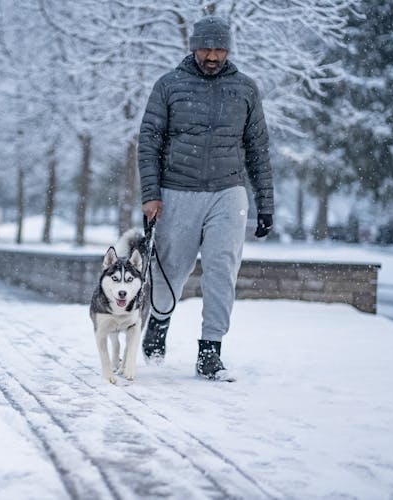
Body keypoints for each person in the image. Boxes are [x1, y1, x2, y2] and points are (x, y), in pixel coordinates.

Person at [137, 15, 274, 380]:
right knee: (170, 270)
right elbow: (149, 141)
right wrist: (150, 194)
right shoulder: (168, 85)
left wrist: (266, 204)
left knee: (221, 271)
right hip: (177, 190)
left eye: (219, 49)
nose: (212, 56)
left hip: (228, 192)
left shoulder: (245, 88)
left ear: (228, 50)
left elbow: (258, 148)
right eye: (206, 48)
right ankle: (160, 322)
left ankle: (210, 351)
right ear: (193, 47)